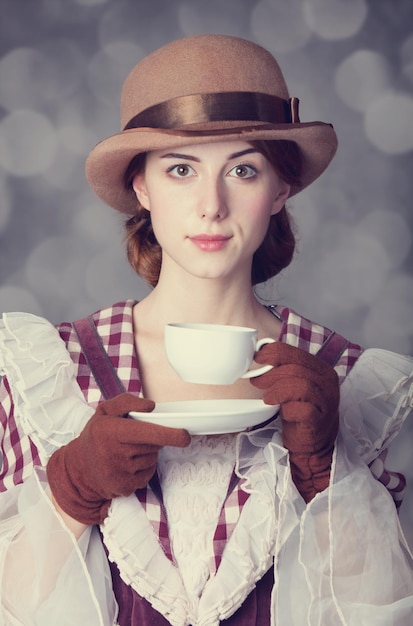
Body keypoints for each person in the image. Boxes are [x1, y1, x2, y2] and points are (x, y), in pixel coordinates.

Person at [0, 33, 412, 626]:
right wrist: (70, 491)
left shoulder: (341, 378)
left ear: (281, 189)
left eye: (242, 169)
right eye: (181, 169)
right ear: (142, 187)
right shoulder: (51, 370)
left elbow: (381, 613)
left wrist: (326, 473)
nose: (211, 204)